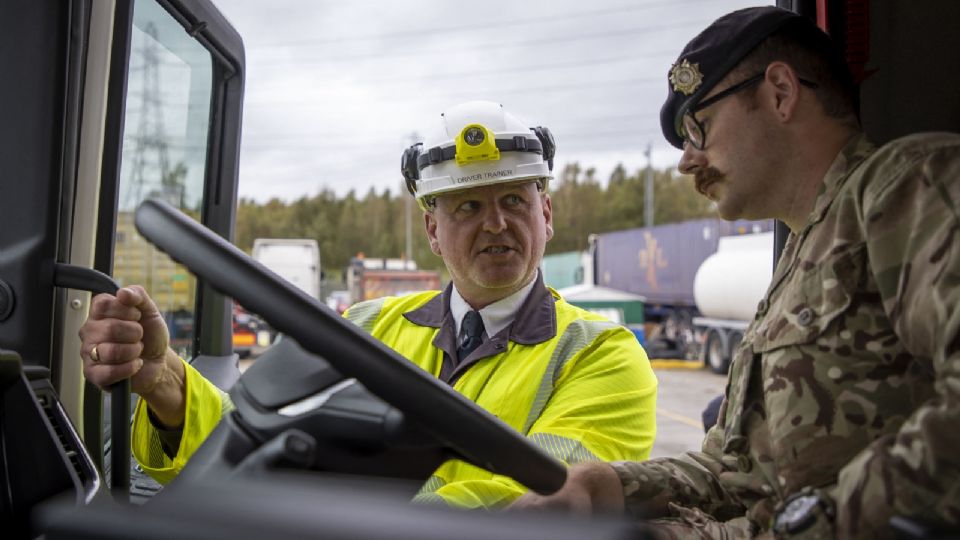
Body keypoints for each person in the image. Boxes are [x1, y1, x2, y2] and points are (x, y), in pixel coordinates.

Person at [511, 6, 960, 538]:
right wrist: (604, 485)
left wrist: (808, 525)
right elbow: (735, 471)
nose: (686, 161)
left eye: (698, 127)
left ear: (780, 93)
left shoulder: (905, 185)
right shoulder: (800, 257)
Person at [79, 100, 658, 509]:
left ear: (546, 216)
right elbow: (250, 436)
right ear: (433, 231)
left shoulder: (604, 356)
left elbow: (546, 495)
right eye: (466, 208)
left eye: (513, 199)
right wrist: (162, 382)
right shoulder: (367, 327)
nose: (496, 223)